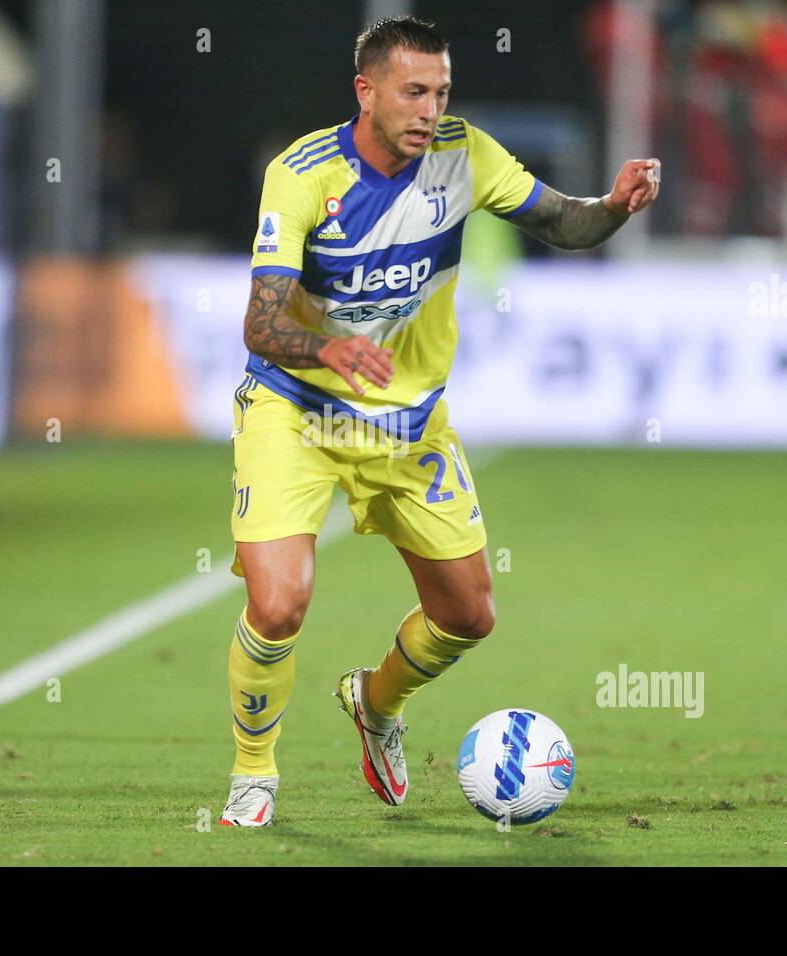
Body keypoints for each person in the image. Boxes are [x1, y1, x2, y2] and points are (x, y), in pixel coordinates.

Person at [220, 15, 660, 826]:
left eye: (441, 92)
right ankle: (255, 773)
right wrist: (331, 351)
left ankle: (375, 704)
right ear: (368, 90)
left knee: (468, 615)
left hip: (407, 427)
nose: (430, 109)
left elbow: (563, 221)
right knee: (280, 602)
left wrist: (615, 205)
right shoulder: (304, 174)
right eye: (413, 91)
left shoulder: (464, 154)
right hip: (297, 411)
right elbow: (261, 324)